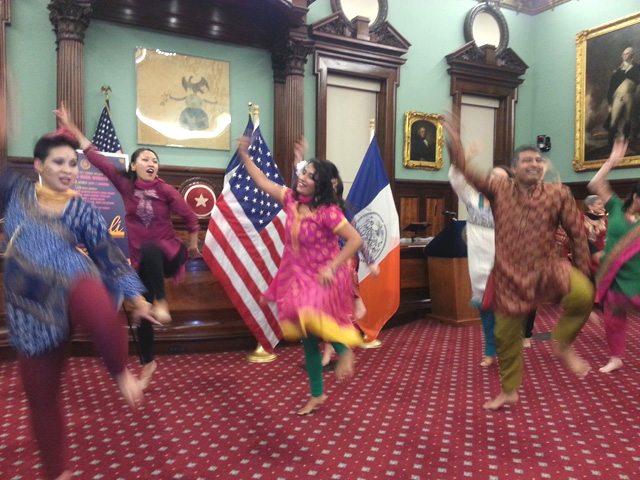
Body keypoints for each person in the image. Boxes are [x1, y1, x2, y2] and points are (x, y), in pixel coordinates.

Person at [0, 125, 153, 480]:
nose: (68, 169)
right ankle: (56, 472)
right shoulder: (15, 192)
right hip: (28, 307)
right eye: (59, 162)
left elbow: (110, 257)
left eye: (73, 163)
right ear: (39, 164)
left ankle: (119, 371)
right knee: (41, 396)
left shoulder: (82, 209)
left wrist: (136, 296)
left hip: (72, 280)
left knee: (97, 304)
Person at [445, 115, 594, 411]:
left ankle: (562, 342)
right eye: (526, 160)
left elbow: (577, 235)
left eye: (538, 160)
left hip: (548, 269)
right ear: (514, 169)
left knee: (584, 295)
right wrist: (455, 142)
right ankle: (509, 390)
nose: (534, 164)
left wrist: (581, 270)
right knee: (505, 336)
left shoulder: (558, 194)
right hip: (510, 277)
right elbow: (465, 170)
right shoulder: (499, 190)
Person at [55, 104, 200, 389]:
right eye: (146, 159)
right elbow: (95, 157)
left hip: (170, 253)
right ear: (133, 165)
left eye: (155, 160)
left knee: (150, 249)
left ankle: (161, 301)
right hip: (141, 262)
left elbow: (190, 216)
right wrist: (71, 126)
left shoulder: (165, 189)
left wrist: (193, 246)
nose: (152, 163)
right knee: (141, 312)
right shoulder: (124, 185)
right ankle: (148, 362)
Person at [238, 135, 363, 415]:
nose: (303, 178)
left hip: (326, 273)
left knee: (311, 316)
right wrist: (244, 155)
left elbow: (355, 240)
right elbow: (261, 181)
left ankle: (344, 352)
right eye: (303, 173)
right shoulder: (291, 199)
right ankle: (317, 394)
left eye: (309, 176)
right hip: (297, 274)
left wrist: (332, 267)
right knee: (306, 335)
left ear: (320, 185)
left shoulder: (328, 213)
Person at [448, 163, 512, 367]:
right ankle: (490, 350)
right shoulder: (473, 197)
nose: (495, 180)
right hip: (479, 262)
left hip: (505, 262)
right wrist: (461, 157)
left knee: (506, 310)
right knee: (486, 308)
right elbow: (457, 180)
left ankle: (507, 349)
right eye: (493, 176)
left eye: (501, 178)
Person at [587, 139, 640, 373]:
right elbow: (595, 183)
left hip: (637, 275)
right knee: (613, 317)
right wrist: (612, 161)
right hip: (615, 275)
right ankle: (615, 357)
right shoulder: (616, 207)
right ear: (635, 196)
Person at [606, 47, 640, 146]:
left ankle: (625, 141)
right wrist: (609, 104)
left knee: (628, 119)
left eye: (628, 53)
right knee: (614, 120)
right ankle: (610, 144)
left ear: (632, 55)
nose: (625, 55)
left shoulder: (637, 68)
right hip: (618, 97)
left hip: (630, 96)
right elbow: (611, 88)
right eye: (624, 54)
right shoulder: (617, 71)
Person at [583, 194, 608, 274]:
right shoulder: (580, 219)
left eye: (603, 204)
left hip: (604, 260)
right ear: (590, 207)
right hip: (586, 260)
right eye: (599, 204)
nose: (602, 206)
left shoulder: (606, 220)